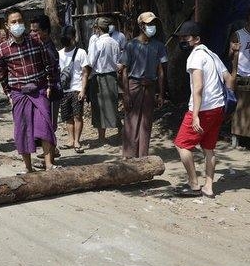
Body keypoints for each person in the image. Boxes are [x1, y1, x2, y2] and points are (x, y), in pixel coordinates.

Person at [173, 21, 234, 198]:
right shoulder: (212, 55)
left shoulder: (195, 57)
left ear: (196, 39)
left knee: (182, 144)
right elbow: (229, 79)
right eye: (181, 37)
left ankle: (193, 185)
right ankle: (209, 187)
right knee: (208, 148)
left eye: (187, 37)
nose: (183, 40)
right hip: (218, 108)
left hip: (202, 109)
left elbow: (197, 87)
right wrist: (228, 109)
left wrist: (195, 116)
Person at [0, 7, 57, 172]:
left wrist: (50, 86)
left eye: (20, 21)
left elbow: (48, 64)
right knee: (23, 130)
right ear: (7, 25)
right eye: (13, 22)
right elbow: (2, 74)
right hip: (19, 93)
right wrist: (9, 94)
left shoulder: (36, 41)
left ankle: (49, 163)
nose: (17, 24)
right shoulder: (3, 49)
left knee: (45, 126)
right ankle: (28, 167)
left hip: (39, 90)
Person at [119, 12, 165, 158]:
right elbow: (124, 71)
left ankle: (142, 156)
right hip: (134, 86)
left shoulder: (158, 46)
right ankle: (128, 156)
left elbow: (161, 71)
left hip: (150, 87)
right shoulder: (131, 45)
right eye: (149, 24)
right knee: (131, 122)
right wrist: (126, 94)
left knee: (146, 123)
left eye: (153, 24)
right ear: (141, 26)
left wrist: (161, 93)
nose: (152, 27)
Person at [82, 17, 121, 146]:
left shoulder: (97, 43)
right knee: (112, 104)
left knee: (99, 107)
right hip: (112, 77)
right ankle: (120, 132)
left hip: (99, 78)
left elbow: (91, 62)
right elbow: (118, 61)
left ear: (98, 29)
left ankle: (102, 137)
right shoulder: (115, 42)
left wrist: (86, 78)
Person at [30, 15, 61, 164]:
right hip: (41, 91)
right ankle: (49, 154)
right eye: (31, 31)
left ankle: (51, 158)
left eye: (36, 31)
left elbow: (52, 73)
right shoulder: (38, 46)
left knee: (49, 125)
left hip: (52, 91)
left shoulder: (49, 49)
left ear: (46, 31)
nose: (33, 34)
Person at [59, 26, 88, 152]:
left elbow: (85, 73)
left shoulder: (81, 52)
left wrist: (83, 90)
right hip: (64, 90)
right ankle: (70, 140)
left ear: (73, 37)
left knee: (77, 116)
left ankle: (77, 141)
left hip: (76, 89)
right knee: (67, 117)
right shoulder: (59, 53)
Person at [229, 8, 250, 142]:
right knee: (239, 108)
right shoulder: (238, 35)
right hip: (241, 75)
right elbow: (230, 55)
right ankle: (236, 137)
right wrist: (234, 49)